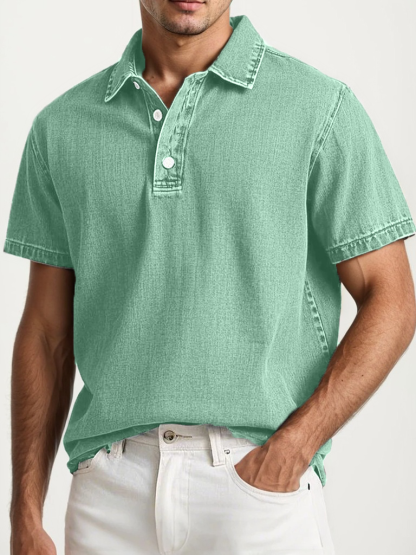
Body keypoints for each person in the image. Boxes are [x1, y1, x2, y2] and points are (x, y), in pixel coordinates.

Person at [4, 1, 416, 554]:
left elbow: (393, 299)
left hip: (257, 487)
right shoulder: (62, 128)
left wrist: (295, 448)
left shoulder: (319, 109)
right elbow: (46, 332)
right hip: (109, 493)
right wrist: (25, 514)